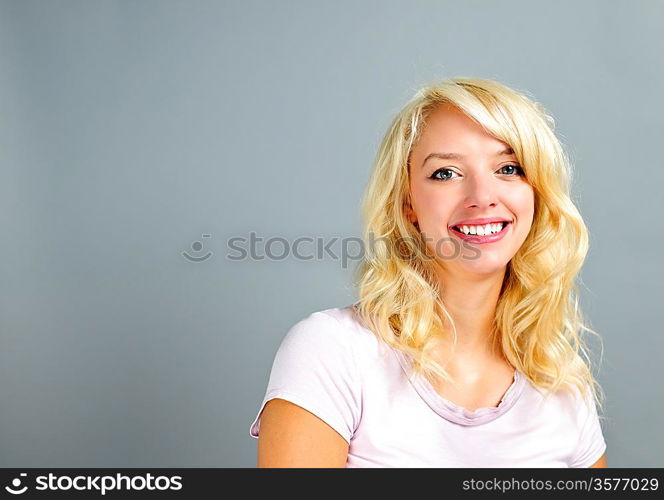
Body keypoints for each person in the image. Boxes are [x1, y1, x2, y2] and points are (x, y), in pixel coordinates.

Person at [248, 77, 608, 468]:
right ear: (408, 204)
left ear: (536, 193)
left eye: (509, 168)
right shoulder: (333, 351)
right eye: (446, 173)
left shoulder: (562, 383)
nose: (483, 196)